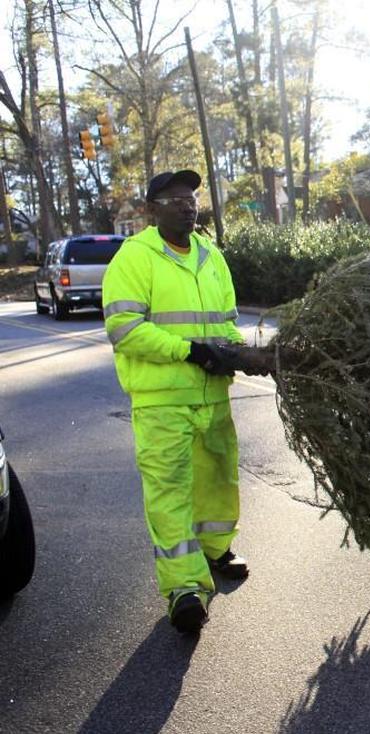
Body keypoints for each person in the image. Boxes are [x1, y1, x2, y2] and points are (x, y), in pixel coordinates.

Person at [103, 169, 271, 633]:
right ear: (151, 210)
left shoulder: (211, 256)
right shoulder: (135, 258)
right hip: (162, 402)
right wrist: (192, 351)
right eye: (175, 198)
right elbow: (125, 329)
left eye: (192, 196)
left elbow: (226, 323)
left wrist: (243, 354)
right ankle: (183, 588)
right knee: (170, 492)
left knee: (218, 478)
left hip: (212, 397)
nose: (187, 204)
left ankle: (216, 550)